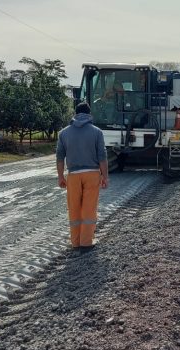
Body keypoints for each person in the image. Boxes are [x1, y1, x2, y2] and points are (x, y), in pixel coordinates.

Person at [56, 102, 109, 252]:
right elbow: (102, 157)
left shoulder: (63, 133)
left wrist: (60, 176)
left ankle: (76, 242)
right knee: (88, 208)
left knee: (74, 208)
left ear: (75, 113)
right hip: (92, 174)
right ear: (89, 114)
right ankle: (86, 242)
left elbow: (60, 157)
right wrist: (105, 176)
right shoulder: (97, 132)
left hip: (73, 175)